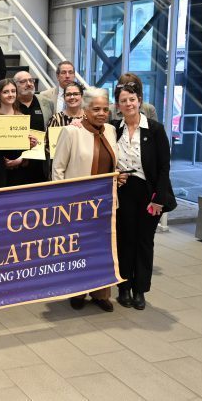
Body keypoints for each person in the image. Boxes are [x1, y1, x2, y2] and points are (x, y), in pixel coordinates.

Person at [52, 87, 118, 312]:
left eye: (105, 109)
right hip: (78, 205)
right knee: (79, 249)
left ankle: (101, 293)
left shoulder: (110, 130)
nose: (101, 113)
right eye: (96, 109)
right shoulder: (71, 132)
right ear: (85, 110)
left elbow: (113, 164)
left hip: (105, 204)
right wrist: (62, 202)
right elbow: (58, 169)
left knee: (102, 251)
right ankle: (78, 291)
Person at [113, 81, 175, 310]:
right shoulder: (113, 128)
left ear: (139, 100)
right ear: (117, 105)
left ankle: (140, 290)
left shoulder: (155, 129)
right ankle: (124, 287)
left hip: (149, 194)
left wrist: (158, 199)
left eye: (132, 99)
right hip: (122, 192)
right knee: (123, 241)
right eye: (123, 100)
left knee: (144, 242)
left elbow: (164, 168)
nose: (128, 104)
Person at [0, 78, 38, 187]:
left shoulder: (21, 117)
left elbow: (25, 145)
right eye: (5, 92)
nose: (10, 95)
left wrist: (19, 159)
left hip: (18, 172)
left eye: (13, 91)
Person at [14, 70, 54, 183]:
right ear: (15, 85)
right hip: (17, 163)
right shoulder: (10, 103)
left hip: (40, 163)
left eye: (31, 80)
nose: (29, 83)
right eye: (23, 81)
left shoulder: (46, 102)